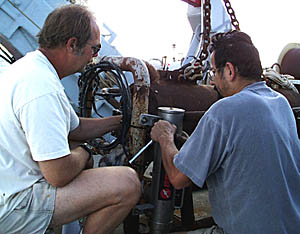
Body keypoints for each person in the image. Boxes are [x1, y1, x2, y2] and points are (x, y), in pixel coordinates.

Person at [0, 4, 141, 234]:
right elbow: (58, 174)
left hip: (8, 186)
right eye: (94, 49)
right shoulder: (42, 87)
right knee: (127, 183)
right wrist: (85, 152)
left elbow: (74, 127)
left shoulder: (31, 68)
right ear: (72, 44)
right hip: (15, 205)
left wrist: (120, 121)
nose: (95, 58)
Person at [150, 30, 300, 234]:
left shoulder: (224, 110)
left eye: (212, 72)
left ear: (229, 70)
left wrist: (165, 138)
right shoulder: (282, 104)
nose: (212, 82)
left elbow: (177, 178)